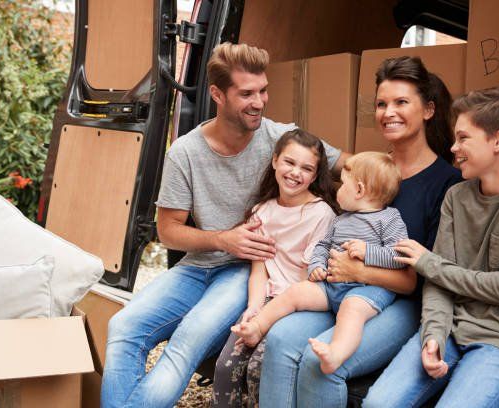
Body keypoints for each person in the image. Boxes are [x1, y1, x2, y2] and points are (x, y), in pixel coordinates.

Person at [100, 42, 345, 408]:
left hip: (246, 272)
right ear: (217, 94)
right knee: (122, 328)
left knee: (188, 340)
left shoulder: (280, 138)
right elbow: (168, 230)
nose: (259, 102)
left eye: (263, 91)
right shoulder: (185, 152)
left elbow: (354, 167)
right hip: (198, 265)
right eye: (246, 94)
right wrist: (223, 239)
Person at [258, 56, 462, 408]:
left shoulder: (446, 184)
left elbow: (418, 281)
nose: (388, 112)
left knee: (318, 365)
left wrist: (359, 270)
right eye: (381, 104)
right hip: (340, 288)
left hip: (400, 302)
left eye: (401, 102)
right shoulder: (369, 168)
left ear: (428, 110)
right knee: (279, 341)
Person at [363, 87, 499, 408]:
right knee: (378, 403)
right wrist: (433, 335)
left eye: (463, 138)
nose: (453, 147)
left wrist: (428, 263)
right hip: (450, 329)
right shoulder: (456, 196)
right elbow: (438, 284)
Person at [233, 151, 408, 376]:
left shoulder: (389, 219)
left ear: (360, 190)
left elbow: (399, 258)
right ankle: (257, 327)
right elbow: (323, 246)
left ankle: (336, 354)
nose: (338, 190)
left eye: (343, 185)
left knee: (351, 311)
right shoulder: (341, 219)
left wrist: (368, 252)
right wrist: (316, 265)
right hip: (331, 285)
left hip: (367, 291)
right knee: (297, 292)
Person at [212, 129, 338, 407]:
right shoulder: (262, 212)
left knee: (260, 369)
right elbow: (260, 270)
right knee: (225, 367)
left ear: (315, 176)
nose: (295, 173)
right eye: (289, 162)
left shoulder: (321, 214)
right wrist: (253, 308)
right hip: (268, 299)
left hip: (297, 307)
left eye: (306, 168)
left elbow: (308, 281)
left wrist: (269, 317)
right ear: (275, 161)